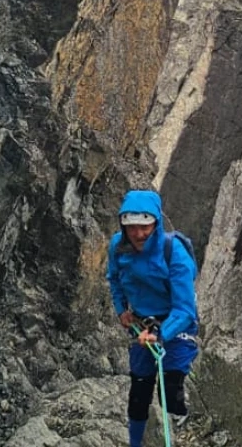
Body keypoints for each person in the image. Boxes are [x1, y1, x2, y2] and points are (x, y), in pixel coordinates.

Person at [106, 189, 199, 447]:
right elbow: (114, 279)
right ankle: (136, 443)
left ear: (156, 223)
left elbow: (185, 310)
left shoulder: (174, 253)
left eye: (144, 226)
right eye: (132, 227)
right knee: (139, 391)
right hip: (141, 323)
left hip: (175, 324)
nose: (138, 234)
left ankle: (181, 438)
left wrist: (160, 334)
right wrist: (121, 309)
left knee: (171, 391)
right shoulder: (118, 247)